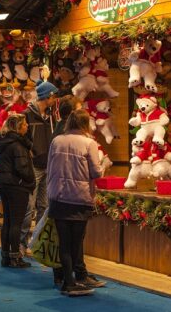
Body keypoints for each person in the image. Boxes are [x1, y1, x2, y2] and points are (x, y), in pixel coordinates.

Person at [47, 109, 105, 296]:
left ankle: (68, 282)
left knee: (64, 243)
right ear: (85, 124)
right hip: (79, 198)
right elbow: (96, 173)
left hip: (58, 196)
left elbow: (49, 167)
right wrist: (105, 164)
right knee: (76, 242)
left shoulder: (57, 141)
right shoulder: (90, 143)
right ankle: (74, 281)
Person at [20, 80, 59, 252]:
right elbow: (23, 137)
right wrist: (32, 151)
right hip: (34, 165)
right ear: (47, 96)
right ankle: (21, 242)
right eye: (53, 96)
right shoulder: (27, 114)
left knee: (43, 205)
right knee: (29, 205)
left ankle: (36, 242)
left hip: (48, 165)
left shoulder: (51, 116)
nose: (55, 99)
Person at [0, 113, 35, 268]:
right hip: (17, 186)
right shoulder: (18, 145)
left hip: (4, 184)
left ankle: (6, 255)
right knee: (16, 223)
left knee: (8, 221)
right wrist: (31, 181)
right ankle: (15, 257)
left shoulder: (4, 142)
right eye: (25, 124)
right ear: (18, 127)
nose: (27, 126)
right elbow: (22, 168)